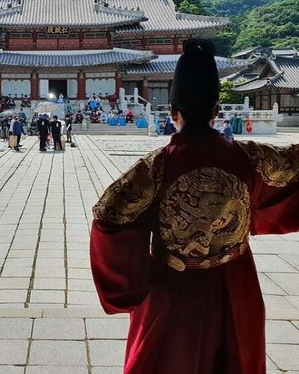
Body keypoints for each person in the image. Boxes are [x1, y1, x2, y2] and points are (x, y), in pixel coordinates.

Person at [90, 39, 299, 374]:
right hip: (236, 283)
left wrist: (131, 285)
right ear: (217, 111)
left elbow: (108, 218)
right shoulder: (250, 158)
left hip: (173, 289)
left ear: (174, 113)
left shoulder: (154, 168)